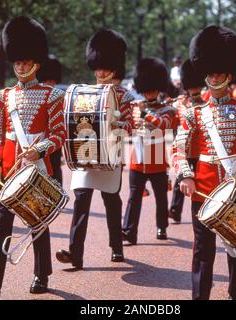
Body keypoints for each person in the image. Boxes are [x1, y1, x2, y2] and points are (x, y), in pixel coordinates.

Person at [171, 25, 236, 300]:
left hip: (235, 187)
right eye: (210, 72)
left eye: (220, 72)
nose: (215, 76)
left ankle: (234, 294)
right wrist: (186, 175)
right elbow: (179, 146)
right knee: (202, 251)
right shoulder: (195, 113)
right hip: (203, 189)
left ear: (229, 74)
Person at [0, 16, 66, 299]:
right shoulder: (4, 96)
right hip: (10, 168)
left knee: (38, 222)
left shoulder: (51, 95)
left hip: (36, 166)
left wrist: (41, 148)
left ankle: (41, 273)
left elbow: (59, 133)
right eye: (18, 62)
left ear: (36, 63)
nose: (21, 66)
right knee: (1, 225)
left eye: (26, 62)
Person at [56, 29, 134, 269]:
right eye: (98, 66)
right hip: (85, 153)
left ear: (114, 67)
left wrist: (114, 123)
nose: (100, 71)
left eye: (105, 66)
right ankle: (75, 254)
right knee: (81, 201)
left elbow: (130, 125)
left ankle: (116, 247)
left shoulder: (125, 96)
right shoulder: (84, 93)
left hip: (110, 155)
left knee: (111, 201)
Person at [122, 57, 176, 244]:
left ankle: (162, 227)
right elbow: (127, 128)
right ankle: (129, 231)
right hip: (138, 159)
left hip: (157, 159)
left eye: (152, 89)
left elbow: (164, 125)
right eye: (146, 90)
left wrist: (146, 114)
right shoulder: (136, 108)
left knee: (161, 198)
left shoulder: (167, 109)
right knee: (133, 198)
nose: (149, 93)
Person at [168, 59, 204, 223]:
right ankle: (175, 210)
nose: (194, 90)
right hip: (185, 148)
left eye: (197, 87)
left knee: (201, 181)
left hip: (201, 150)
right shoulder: (180, 104)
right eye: (192, 87)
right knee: (180, 179)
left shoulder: (205, 105)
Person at [37, 54, 64, 185]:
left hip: (54, 142)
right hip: (37, 140)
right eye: (47, 80)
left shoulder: (59, 96)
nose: (50, 83)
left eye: (52, 80)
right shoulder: (37, 96)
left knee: (54, 170)